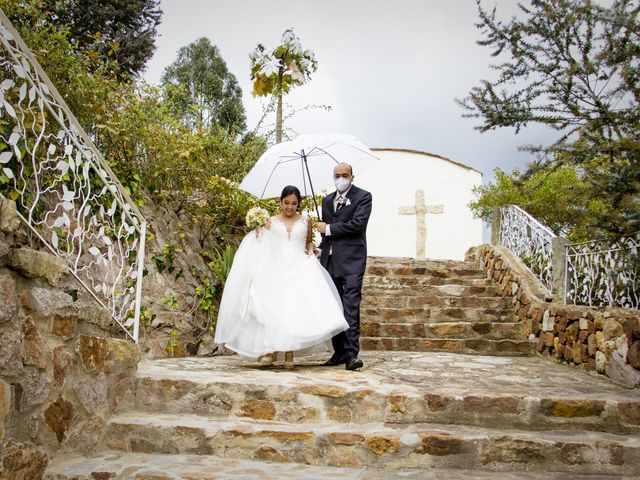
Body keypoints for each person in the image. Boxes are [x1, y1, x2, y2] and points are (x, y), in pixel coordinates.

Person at [214, 185, 348, 369]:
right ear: (281, 202)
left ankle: (289, 354)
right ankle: (271, 350)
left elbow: (309, 242)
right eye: (286, 203)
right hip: (275, 267)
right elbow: (263, 242)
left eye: (294, 203)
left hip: (299, 265)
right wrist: (257, 232)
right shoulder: (270, 221)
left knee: (293, 308)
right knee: (274, 309)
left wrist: (312, 253)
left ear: (298, 203)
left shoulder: (306, 221)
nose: (290, 207)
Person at [316, 162, 372, 371]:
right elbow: (326, 236)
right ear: (333, 177)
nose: (341, 178)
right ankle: (338, 351)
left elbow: (358, 224)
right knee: (334, 307)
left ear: (352, 177)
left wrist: (328, 228)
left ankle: (351, 354)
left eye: (345, 175)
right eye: (337, 175)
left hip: (352, 261)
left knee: (350, 306)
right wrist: (320, 249)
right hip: (330, 262)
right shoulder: (327, 200)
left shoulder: (363, 197)